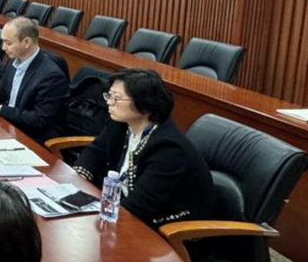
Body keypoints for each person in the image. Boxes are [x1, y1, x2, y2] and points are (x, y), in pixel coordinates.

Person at [73, 69, 216, 228]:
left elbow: (142, 205)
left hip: (166, 226)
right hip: (123, 209)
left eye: (116, 98)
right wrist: (78, 178)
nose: (109, 102)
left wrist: (94, 213)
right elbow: (94, 152)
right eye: (109, 95)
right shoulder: (121, 124)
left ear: (145, 104)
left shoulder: (169, 149)